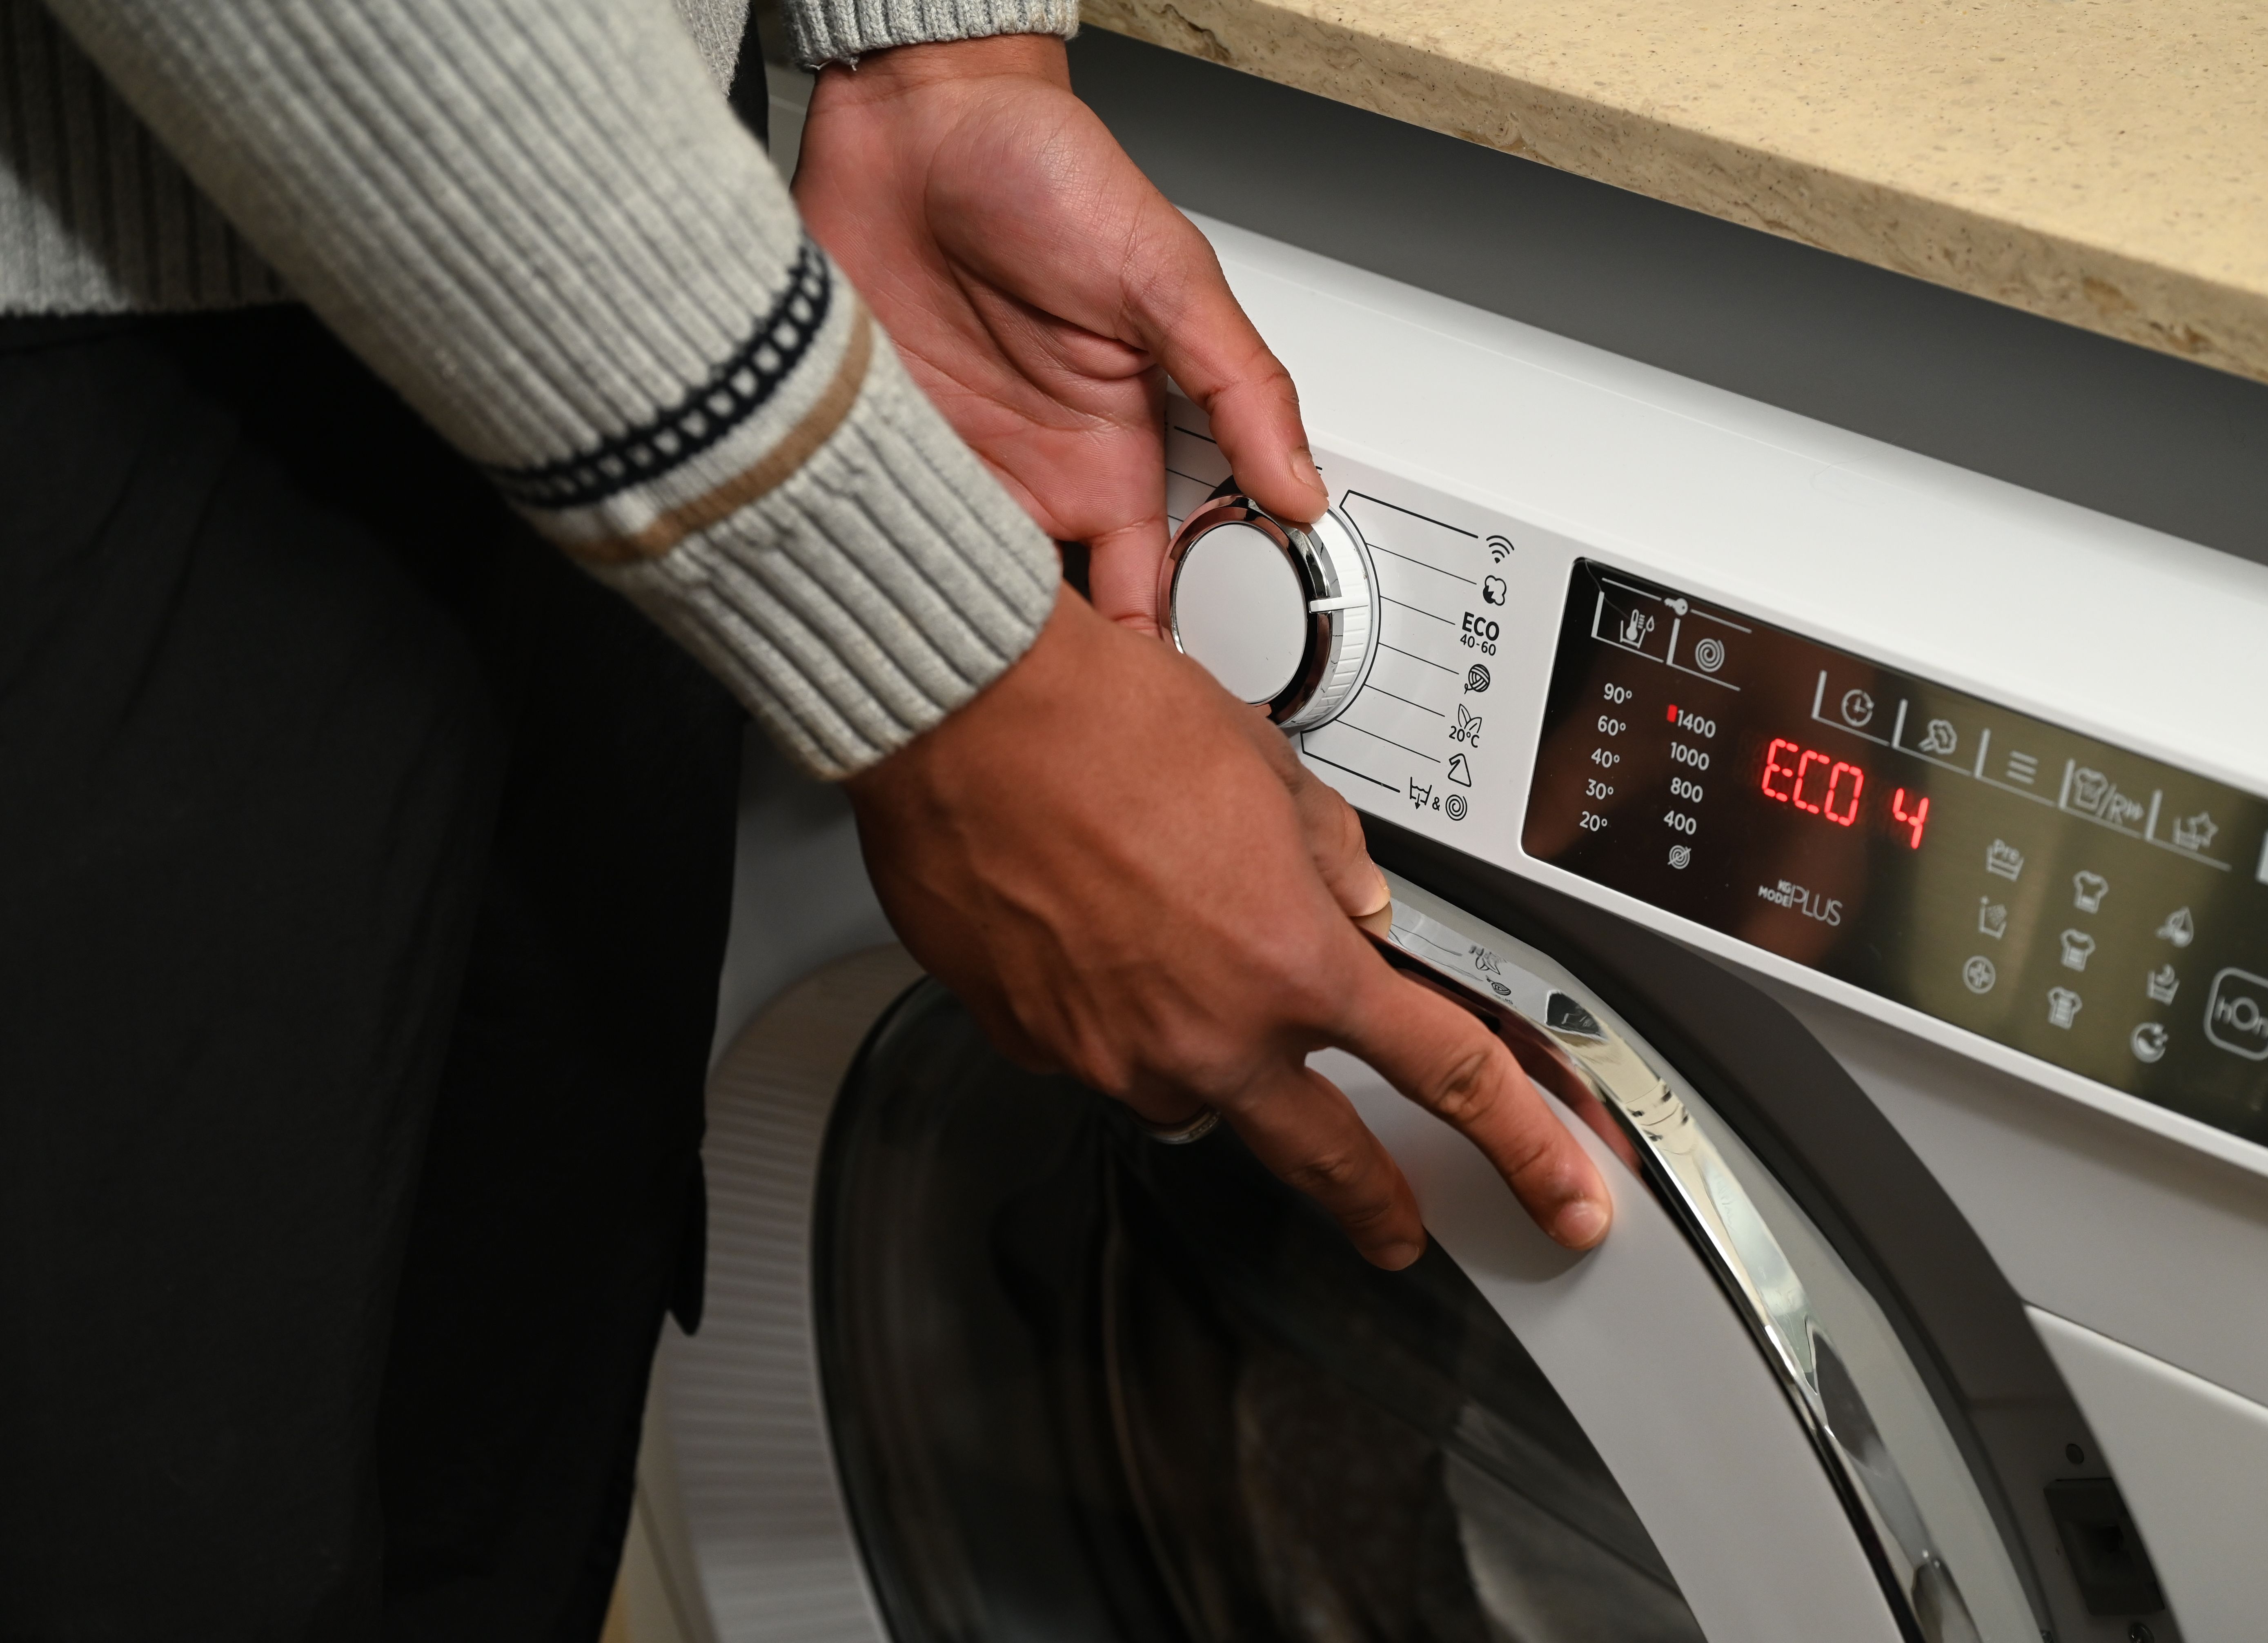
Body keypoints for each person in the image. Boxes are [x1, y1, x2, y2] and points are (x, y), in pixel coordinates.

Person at [0, 0, 1612, 1634]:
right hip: (91, 385)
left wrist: (933, 55)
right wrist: (942, 663)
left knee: (482, 1516)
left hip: (606, 287)